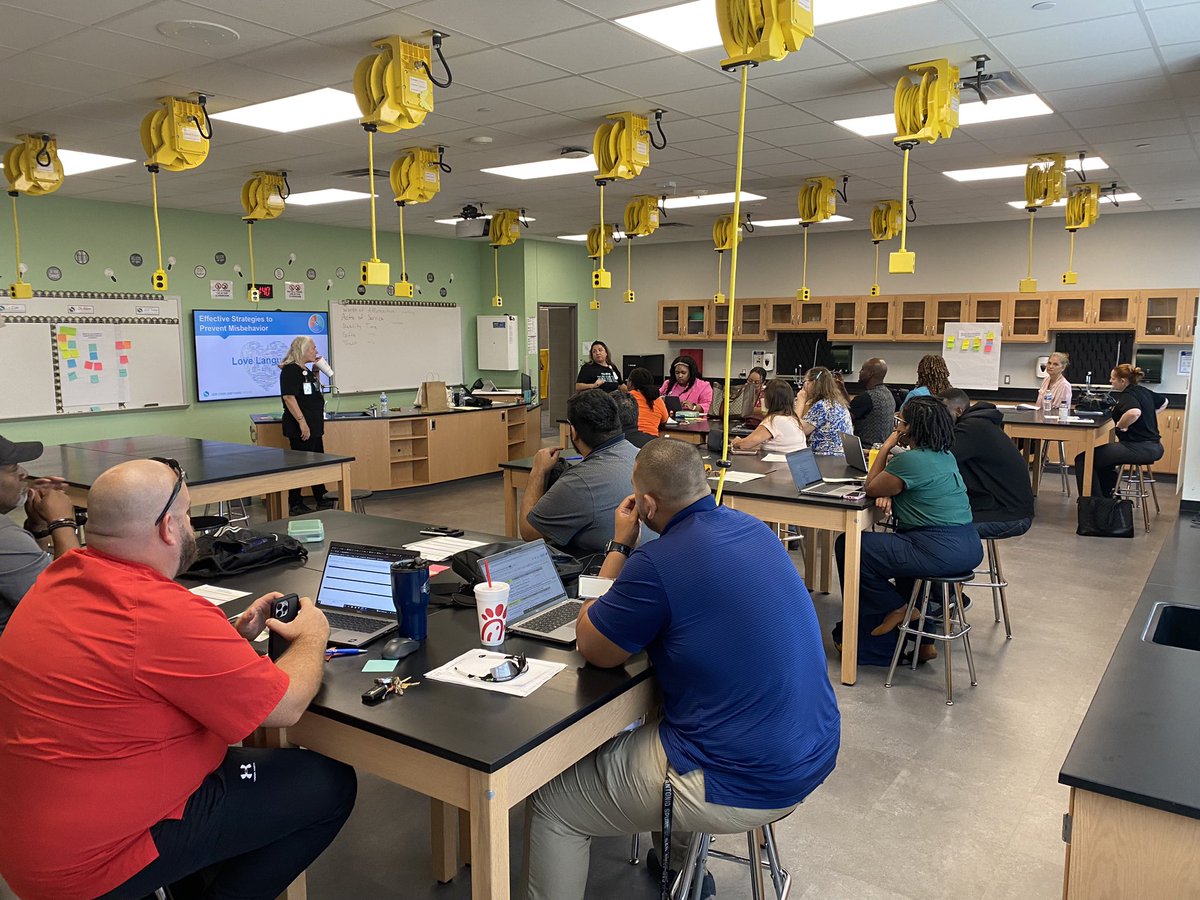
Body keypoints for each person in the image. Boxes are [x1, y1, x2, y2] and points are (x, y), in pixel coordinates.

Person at [0, 459, 356, 900]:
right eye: (187, 515)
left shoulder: (59, 579)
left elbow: (130, 663)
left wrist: (226, 641)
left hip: (33, 840)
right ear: (168, 527)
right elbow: (283, 708)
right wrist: (313, 636)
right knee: (328, 786)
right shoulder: (162, 612)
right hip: (97, 861)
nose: (191, 526)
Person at [521, 438, 840, 900]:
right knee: (669, 717)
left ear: (646, 504)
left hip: (743, 774)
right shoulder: (753, 530)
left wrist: (620, 545)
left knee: (553, 802)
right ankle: (679, 867)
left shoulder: (656, 563)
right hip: (811, 746)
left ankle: (676, 856)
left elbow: (594, 645)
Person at [833, 397, 983, 666]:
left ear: (911, 428)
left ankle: (897, 608)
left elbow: (870, 487)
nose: (898, 426)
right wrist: (892, 494)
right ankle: (924, 643)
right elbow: (900, 487)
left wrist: (887, 447)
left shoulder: (911, 461)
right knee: (902, 564)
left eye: (901, 422)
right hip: (967, 545)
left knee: (851, 545)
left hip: (936, 549)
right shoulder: (944, 456)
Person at [520, 390, 648, 555]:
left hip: (610, 571)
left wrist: (538, 471)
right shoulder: (642, 456)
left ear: (572, 431)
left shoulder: (579, 481)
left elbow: (529, 532)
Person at [0, 435, 81, 638]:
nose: (24, 474)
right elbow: (69, 602)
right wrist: (62, 522)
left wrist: (40, 526)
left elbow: (36, 575)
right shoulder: (5, 537)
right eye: (13, 468)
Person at [939, 389, 1035, 539]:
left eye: (943, 411)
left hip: (1007, 515)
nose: (940, 417)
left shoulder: (972, 428)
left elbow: (938, 461)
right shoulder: (978, 424)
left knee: (931, 529)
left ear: (958, 411)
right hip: (1005, 509)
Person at [1075, 364, 1165, 497]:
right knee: (1103, 462)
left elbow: (1134, 412)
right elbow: (1164, 402)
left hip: (1138, 447)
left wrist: (1121, 426)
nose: (1110, 381)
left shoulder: (1127, 396)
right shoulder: (1144, 391)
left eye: (1113, 379)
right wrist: (1150, 415)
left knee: (1083, 459)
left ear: (1123, 381)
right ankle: (1110, 499)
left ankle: (1094, 504)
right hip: (1155, 447)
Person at [278, 335, 335, 515]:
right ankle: (295, 502)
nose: (316, 352)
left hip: (314, 425)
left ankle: (322, 497)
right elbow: (289, 397)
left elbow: (312, 392)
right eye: (313, 348)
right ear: (302, 350)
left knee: (317, 461)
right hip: (301, 426)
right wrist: (302, 423)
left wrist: (317, 371)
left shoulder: (305, 370)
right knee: (300, 464)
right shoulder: (290, 370)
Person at [732, 379, 807, 453]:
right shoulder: (793, 419)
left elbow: (744, 444)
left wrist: (737, 442)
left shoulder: (774, 420)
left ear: (769, 399)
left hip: (782, 463)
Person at [797, 366, 854, 455]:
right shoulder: (837, 403)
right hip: (841, 457)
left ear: (812, 383)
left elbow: (797, 431)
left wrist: (800, 401)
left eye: (805, 381)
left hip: (826, 458)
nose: (803, 386)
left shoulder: (822, 406)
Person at [849, 357, 896, 446]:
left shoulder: (866, 398)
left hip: (866, 449)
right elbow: (856, 408)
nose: (859, 372)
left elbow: (844, 418)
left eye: (862, 369)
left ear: (870, 373)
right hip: (883, 448)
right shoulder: (888, 393)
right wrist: (842, 389)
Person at [627, 366, 669, 437]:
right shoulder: (657, 399)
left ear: (630, 383)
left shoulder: (626, 397)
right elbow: (664, 420)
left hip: (630, 440)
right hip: (652, 442)